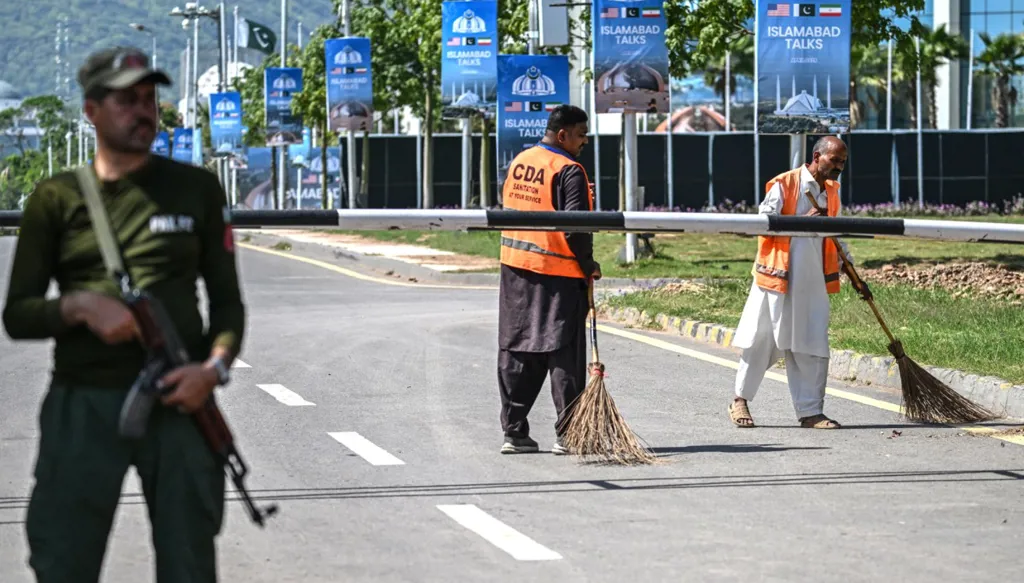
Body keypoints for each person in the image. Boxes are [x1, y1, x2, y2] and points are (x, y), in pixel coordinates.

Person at [2, 46, 245, 582]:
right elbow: (17, 313)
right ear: (90, 110)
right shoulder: (55, 198)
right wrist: (75, 306)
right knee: (63, 563)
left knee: (189, 566)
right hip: (84, 406)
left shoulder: (196, 188)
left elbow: (228, 302)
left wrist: (213, 370)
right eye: (125, 101)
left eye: (149, 100)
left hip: (182, 403)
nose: (143, 112)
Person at [496, 104, 601, 455]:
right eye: (581, 134)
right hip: (557, 273)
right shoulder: (569, 169)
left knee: (518, 348)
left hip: (515, 268)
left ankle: (514, 432)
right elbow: (577, 227)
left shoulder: (521, 161)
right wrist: (588, 265)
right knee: (563, 353)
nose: (585, 141)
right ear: (562, 135)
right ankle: (568, 434)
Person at [728, 135, 853, 430]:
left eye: (843, 162)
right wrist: (801, 221)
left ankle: (811, 412)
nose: (839, 167)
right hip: (777, 279)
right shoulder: (785, 183)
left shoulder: (832, 191)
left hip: (812, 283)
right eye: (834, 160)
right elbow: (764, 220)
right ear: (816, 156)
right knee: (760, 340)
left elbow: (837, 233)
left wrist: (848, 263)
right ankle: (740, 400)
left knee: (812, 343)